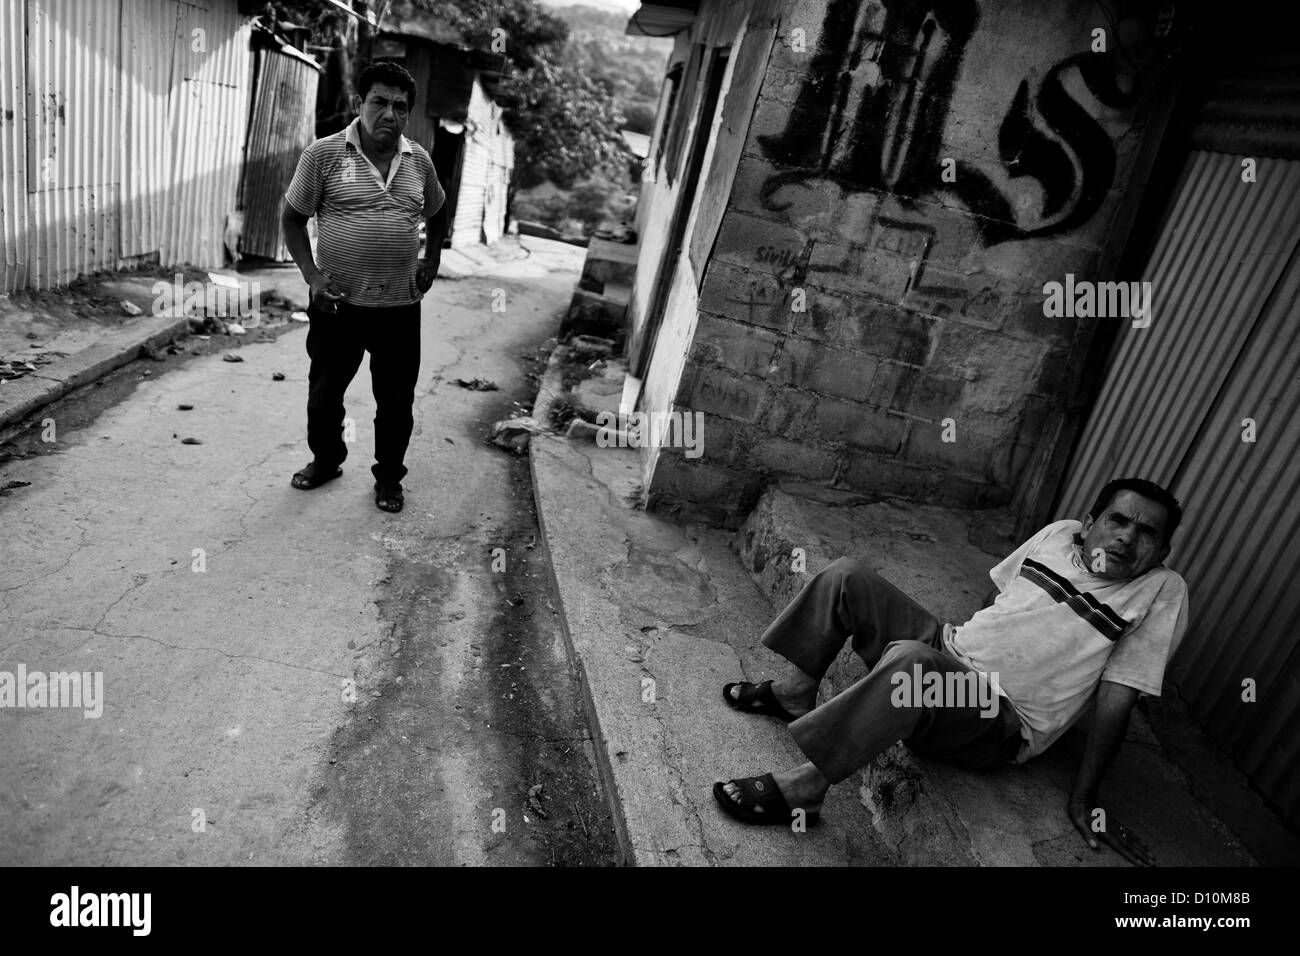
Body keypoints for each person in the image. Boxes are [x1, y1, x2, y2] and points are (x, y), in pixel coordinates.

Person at [714, 477, 1188, 866]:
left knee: (914, 665)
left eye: (1147, 533)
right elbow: (997, 598)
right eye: (1118, 520)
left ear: (1162, 552)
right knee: (847, 575)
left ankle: (806, 788)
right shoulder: (1060, 533)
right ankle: (797, 692)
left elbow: (1117, 698)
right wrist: (967, 646)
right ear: (1090, 523)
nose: (1127, 536)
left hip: (999, 717)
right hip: (947, 645)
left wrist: (1085, 797)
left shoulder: (1159, 592)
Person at [281, 61, 448, 513]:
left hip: (398, 307)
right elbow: (292, 219)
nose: (388, 114)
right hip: (338, 306)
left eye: (399, 106)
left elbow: (437, 211)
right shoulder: (324, 155)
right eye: (379, 102)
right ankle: (327, 460)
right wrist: (313, 278)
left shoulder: (420, 163)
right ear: (360, 104)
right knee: (324, 397)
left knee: (395, 403)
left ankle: (389, 479)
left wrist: (431, 258)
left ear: (408, 114)